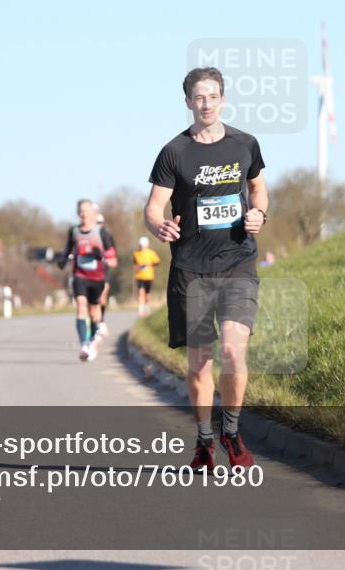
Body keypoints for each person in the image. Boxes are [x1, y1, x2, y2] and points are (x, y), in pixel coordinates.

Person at [144, 66, 268, 471]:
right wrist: (157, 224)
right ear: (187, 103)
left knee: (232, 350)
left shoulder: (245, 144)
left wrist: (260, 213)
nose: (206, 103)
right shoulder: (174, 152)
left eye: (213, 96)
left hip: (237, 262)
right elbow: (153, 206)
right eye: (199, 97)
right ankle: (203, 440)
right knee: (199, 363)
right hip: (191, 270)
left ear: (223, 99)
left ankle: (231, 432)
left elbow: (257, 187)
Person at [58, 199, 117, 361]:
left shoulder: (102, 233)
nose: (84, 214)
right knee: (81, 307)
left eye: (87, 211)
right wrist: (62, 260)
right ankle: (84, 344)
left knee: (93, 312)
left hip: (97, 278)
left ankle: (93, 341)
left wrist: (102, 256)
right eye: (81, 211)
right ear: (78, 213)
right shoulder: (74, 231)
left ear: (93, 213)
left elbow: (113, 260)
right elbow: (67, 250)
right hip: (80, 276)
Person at [133, 236, 161, 316]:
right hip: (139, 276)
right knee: (141, 292)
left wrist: (149, 264)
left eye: (143, 246)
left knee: (147, 294)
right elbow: (134, 265)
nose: (142, 247)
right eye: (141, 245)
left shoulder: (151, 253)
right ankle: (140, 310)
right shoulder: (136, 253)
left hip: (149, 276)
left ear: (147, 245)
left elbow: (157, 262)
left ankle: (147, 306)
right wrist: (139, 267)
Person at [95, 209, 111, 338]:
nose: (98, 224)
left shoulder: (106, 235)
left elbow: (112, 251)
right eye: (96, 222)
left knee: (103, 296)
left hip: (104, 269)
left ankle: (101, 321)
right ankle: (96, 321)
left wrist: (109, 257)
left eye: (100, 222)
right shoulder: (89, 234)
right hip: (90, 271)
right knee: (94, 298)